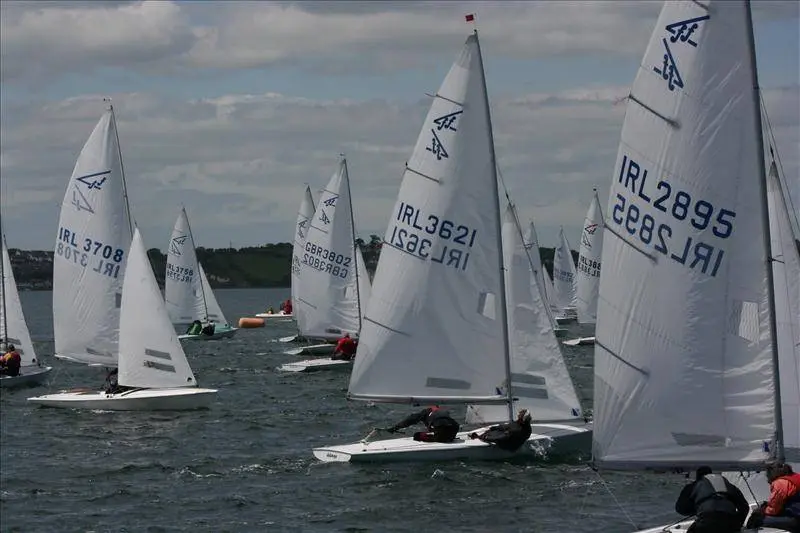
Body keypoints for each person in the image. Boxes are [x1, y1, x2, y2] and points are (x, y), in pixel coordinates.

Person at [674, 466, 750, 533]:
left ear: (698, 477)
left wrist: (696, 509)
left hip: (706, 524)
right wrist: (737, 524)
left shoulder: (694, 485)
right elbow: (744, 507)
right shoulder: (728, 485)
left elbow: (680, 508)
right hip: (729, 523)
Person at [746, 463, 800, 531]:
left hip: (796, 520)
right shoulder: (795, 476)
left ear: (771, 473)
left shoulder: (780, 483)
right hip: (796, 513)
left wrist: (761, 510)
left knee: (756, 519)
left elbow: (773, 510)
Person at [467, 408, 533, 452]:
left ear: (522, 418)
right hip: (506, 436)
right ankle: (480, 436)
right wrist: (494, 428)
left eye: (520, 414)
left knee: (496, 434)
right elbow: (506, 427)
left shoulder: (519, 430)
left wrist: (484, 438)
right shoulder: (522, 425)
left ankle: (478, 436)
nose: (518, 414)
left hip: (507, 445)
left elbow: (500, 438)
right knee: (495, 430)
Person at [386, 405, 460, 443]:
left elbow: (410, 420)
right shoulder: (443, 411)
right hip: (454, 428)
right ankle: (447, 438)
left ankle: (442, 439)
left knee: (417, 436)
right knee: (444, 434)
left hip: (440, 430)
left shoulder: (426, 412)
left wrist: (394, 428)